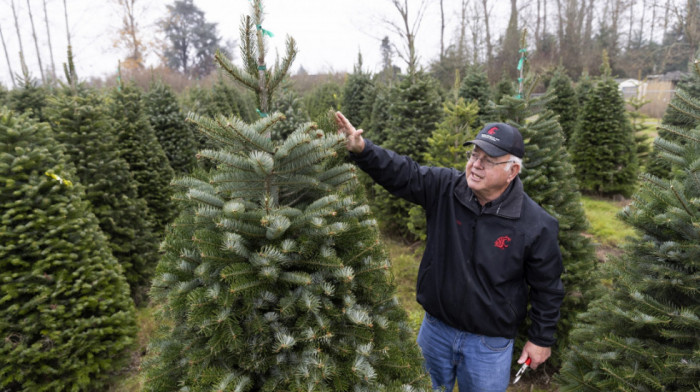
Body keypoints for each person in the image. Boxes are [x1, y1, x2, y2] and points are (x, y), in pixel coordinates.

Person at [335, 112, 565, 392]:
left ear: (512, 171)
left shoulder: (535, 224)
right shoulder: (446, 189)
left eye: (488, 160)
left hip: (488, 344)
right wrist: (363, 150)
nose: (476, 165)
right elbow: (403, 172)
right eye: (474, 155)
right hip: (435, 331)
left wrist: (541, 339)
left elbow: (548, 288)